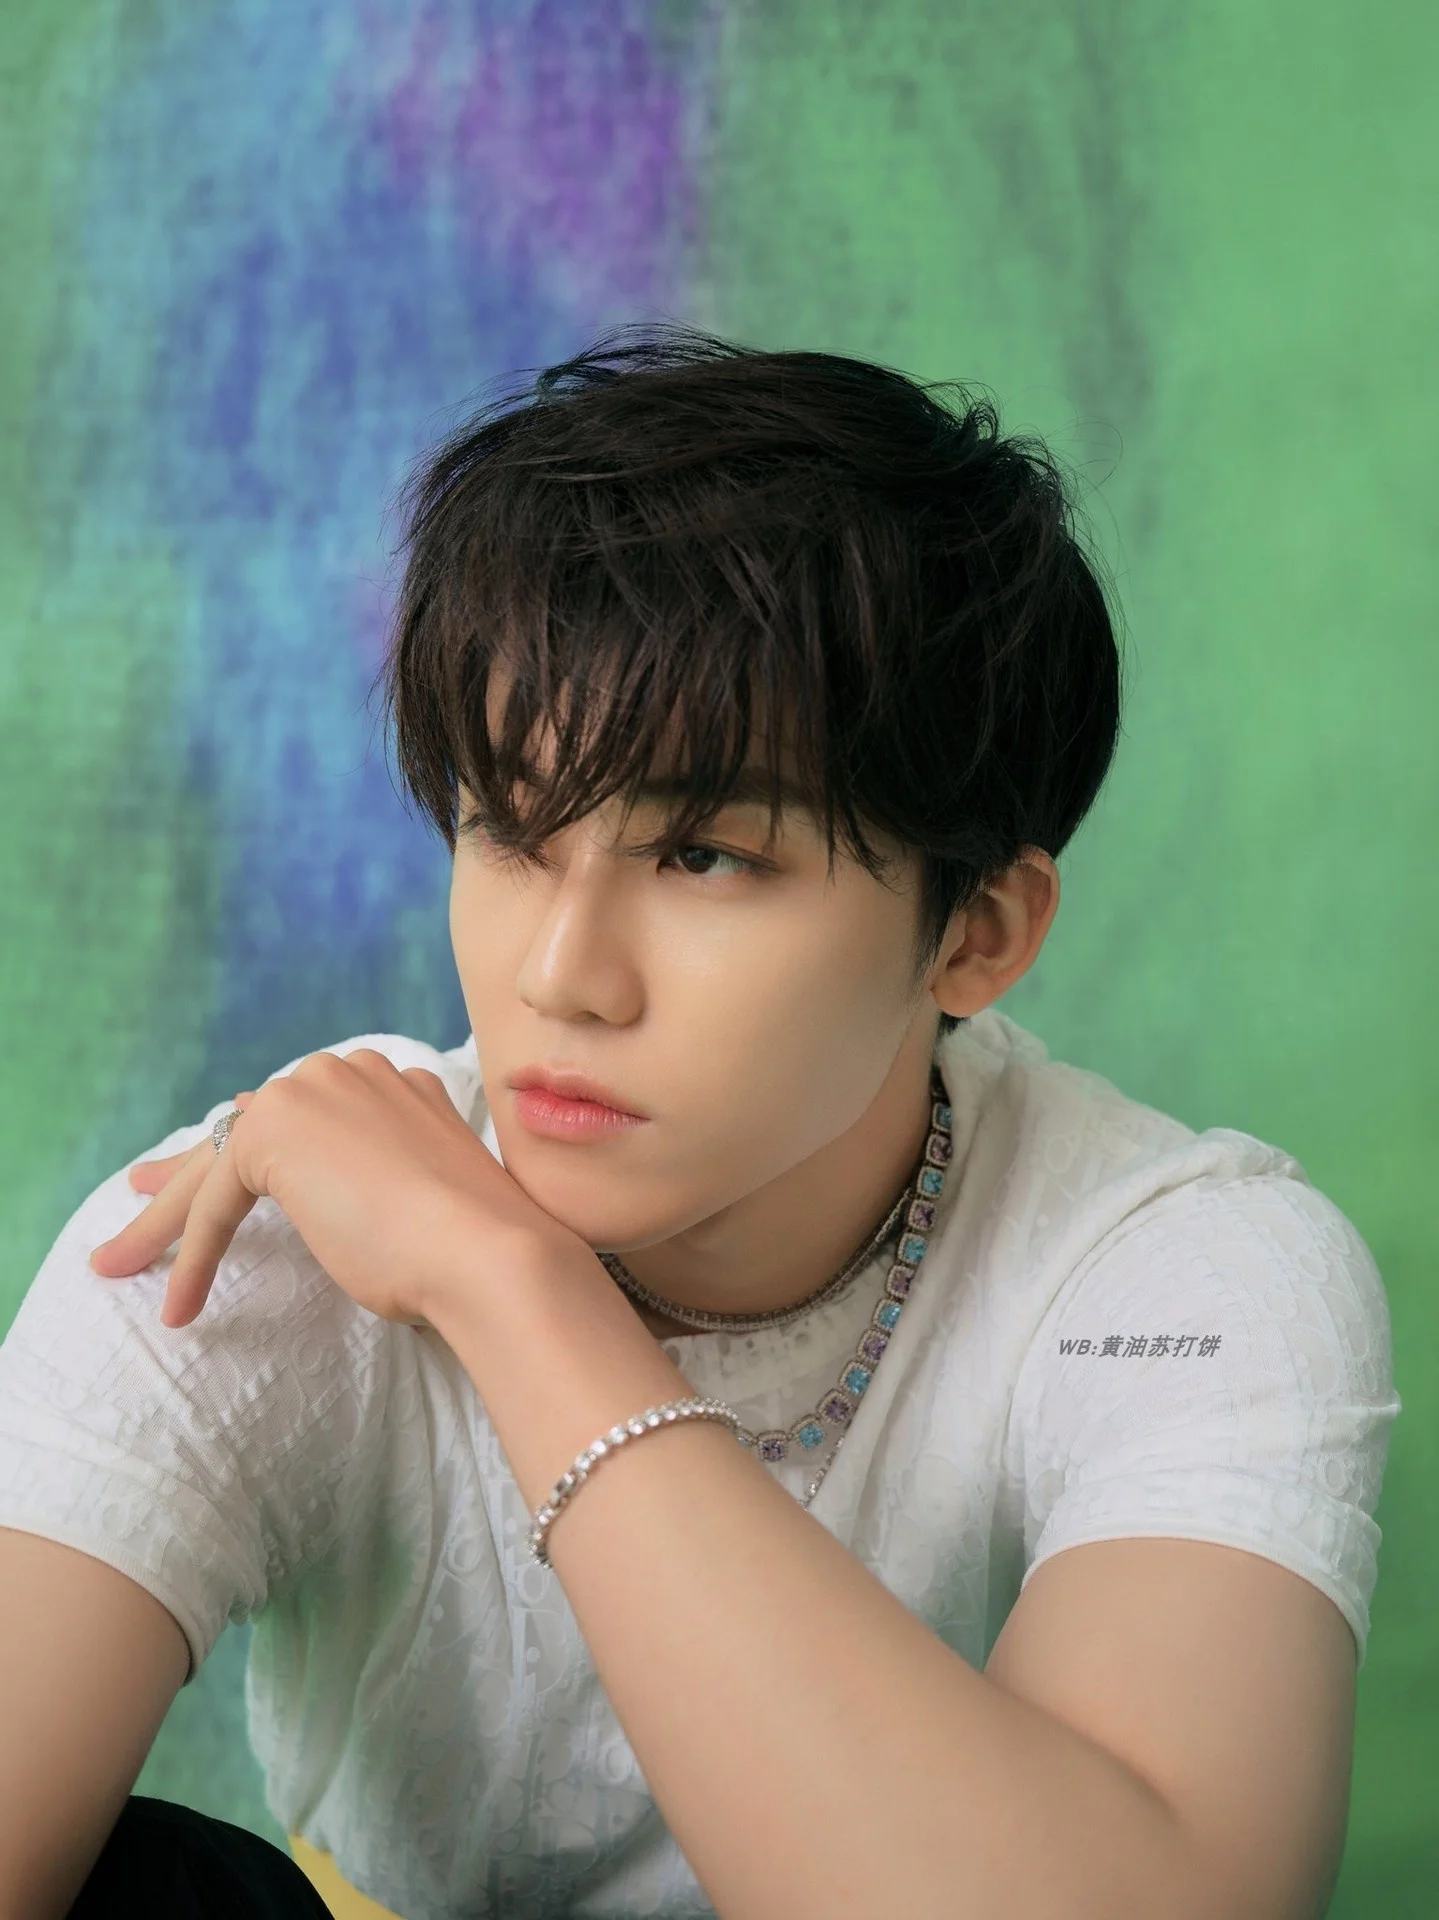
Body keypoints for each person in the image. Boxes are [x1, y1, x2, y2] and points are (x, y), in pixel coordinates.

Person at [0, 324, 1400, 1920]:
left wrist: (512, 1292)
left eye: (705, 858)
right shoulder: (260, 1224)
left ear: (976, 935)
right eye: (508, 829)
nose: (558, 975)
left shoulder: (1180, 1274)